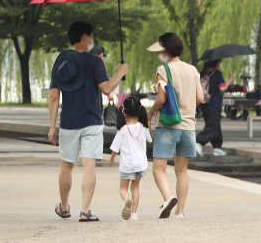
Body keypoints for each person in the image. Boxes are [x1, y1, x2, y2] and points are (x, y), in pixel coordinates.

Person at [48, 21, 128, 222]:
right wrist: (121, 72)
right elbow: (107, 88)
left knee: (67, 165)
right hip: (92, 120)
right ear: (84, 38)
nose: (92, 40)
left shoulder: (61, 62)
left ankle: (64, 207)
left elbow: (54, 97)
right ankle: (85, 210)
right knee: (89, 165)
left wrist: (51, 126)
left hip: (68, 121)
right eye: (90, 36)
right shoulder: (95, 62)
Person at [146, 33, 203, 219]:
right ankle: (180, 212)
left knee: (158, 168)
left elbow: (162, 99)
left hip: (168, 126)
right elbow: (200, 98)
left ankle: (168, 197)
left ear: (165, 50)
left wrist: (150, 112)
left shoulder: (163, 69)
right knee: (182, 170)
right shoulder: (193, 70)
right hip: (188, 127)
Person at [108, 96, 151, 221]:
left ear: (124, 111)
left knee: (123, 189)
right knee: (135, 188)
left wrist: (111, 160)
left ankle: (127, 200)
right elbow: (149, 139)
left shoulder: (122, 130)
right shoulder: (144, 127)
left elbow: (115, 149)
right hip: (140, 164)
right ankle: (133, 214)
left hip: (127, 165)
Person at [195, 59, 234, 157]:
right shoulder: (217, 74)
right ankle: (198, 142)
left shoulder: (203, 72)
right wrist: (230, 79)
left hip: (204, 104)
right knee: (213, 128)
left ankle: (217, 147)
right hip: (214, 104)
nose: (221, 64)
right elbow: (222, 88)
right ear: (215, 63)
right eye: (220, 62)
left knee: (215, 125)